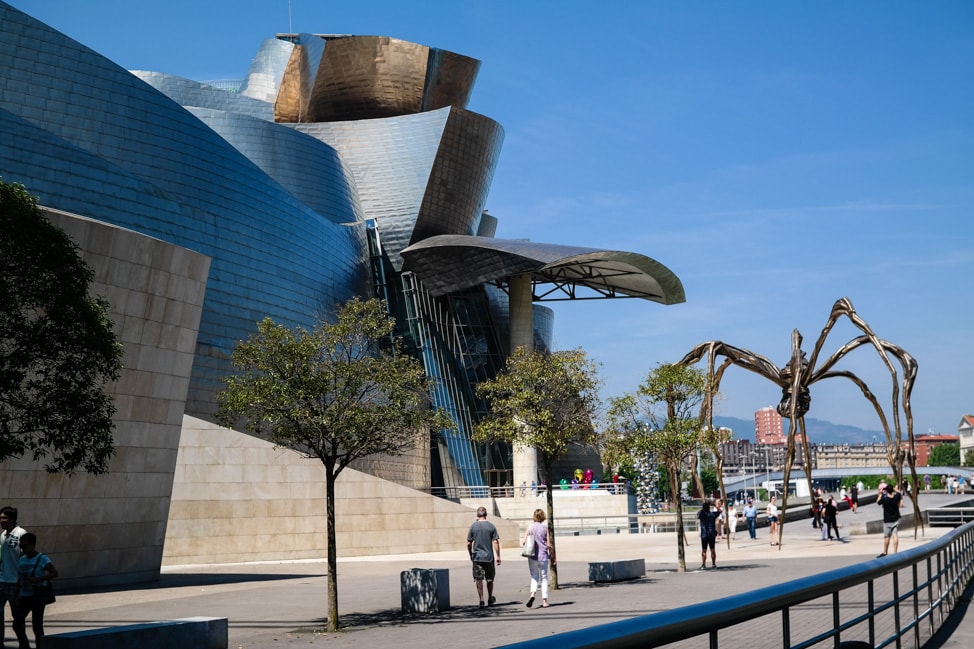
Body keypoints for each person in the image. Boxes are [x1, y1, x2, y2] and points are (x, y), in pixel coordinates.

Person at [12, 533, 56, 649]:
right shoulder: (22, 559)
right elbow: (19, 578)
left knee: (37, 626)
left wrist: (39, 579)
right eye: (21, 546)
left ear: (32, 544)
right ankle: (25, 645)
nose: (23, 549)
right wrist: (16, 594)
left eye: (25, 546)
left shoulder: (42, 558)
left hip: (37, 596)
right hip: (24, 595)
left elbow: (54, 573)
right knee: (17, 623)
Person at [0, 507, 26, 645]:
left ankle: (23, 643)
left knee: (17, 617)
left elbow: (24, 555)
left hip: (15, 581)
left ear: (12, 519)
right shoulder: (2, 535)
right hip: (2, 580)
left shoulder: (21, 533)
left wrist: (21, 579)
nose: (1, 521)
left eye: (4, 518)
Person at [467, 506, 501, 608]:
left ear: (477, 515)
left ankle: (481, 599)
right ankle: (490, 598)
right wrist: (498, 555)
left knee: (479, 579)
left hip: (477, 557)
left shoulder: (473, 526)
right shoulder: (491, 526)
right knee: (490, 578)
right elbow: (495, 542)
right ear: (486, 514)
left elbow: (468, 543)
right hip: (489, 557)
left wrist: (470, 554)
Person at [521, 509, 555, 608]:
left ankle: (532, 594)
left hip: (532, 556)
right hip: (543, 556)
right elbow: (548, 544)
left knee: (534, 577)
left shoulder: (530, 527)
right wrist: (552, 555)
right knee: (544, 578)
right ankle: (544, 601)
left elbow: (523, 541)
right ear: (543, 516)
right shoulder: (545, 528)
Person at [877, 483, 903, 557]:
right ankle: (895, 552)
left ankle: (885, 551)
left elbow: (878, 502)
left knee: (887, 537)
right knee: (895, 536)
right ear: (892, 490)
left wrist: (880, 494)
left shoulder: (884, 499)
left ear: (886, 491)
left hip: (887, 520)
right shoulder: (895, 498)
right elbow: (899, 493)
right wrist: (894, 488)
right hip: (895, 519)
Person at [697, 499, 719, 569]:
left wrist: (703, 508)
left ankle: (703, 564)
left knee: (704, 550)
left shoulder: (701, 514)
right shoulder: (712, 514)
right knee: (712, 549)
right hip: (711, 534)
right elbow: (720, 511)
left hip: (704, 534)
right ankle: (713, 563)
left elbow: (698, 513)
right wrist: (715, 505)